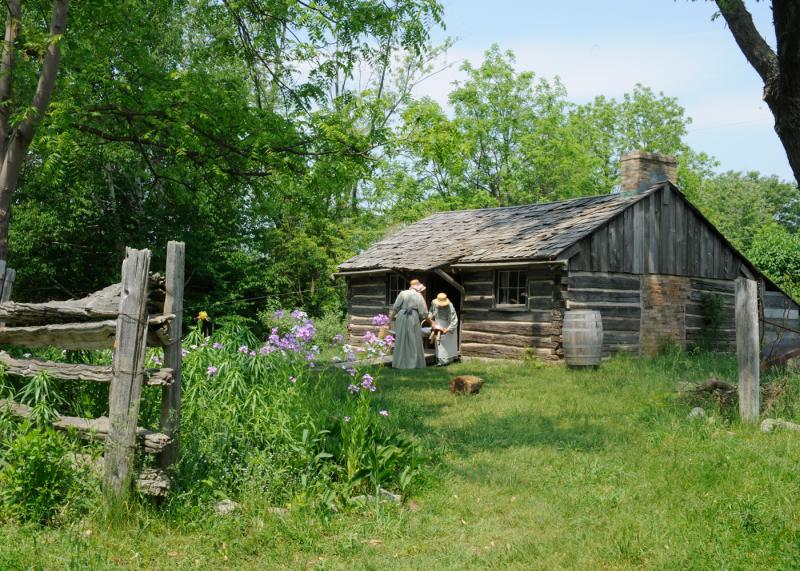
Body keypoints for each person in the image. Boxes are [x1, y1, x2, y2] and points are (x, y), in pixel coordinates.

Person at [388, 279, 428, 369]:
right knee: (413, 338)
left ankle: (399, 363)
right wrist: (426, 319)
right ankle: (413, 363)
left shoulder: (402, 293)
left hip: (401, 316)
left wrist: (389, 320)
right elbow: (423, 312)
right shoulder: (419, 295)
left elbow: (395, 308)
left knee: (401, 338)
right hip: (413, 316)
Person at [429, 293, 459, 366]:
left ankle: (449, 359)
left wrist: (447, 329)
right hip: (438, 323)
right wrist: (430, 318)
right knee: (440, 343)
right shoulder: (434, 303)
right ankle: (441, 361)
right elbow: (431, 311)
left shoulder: (450, 306)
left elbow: (454, 320)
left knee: (448, 342)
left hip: (448, 325)